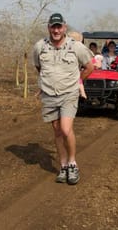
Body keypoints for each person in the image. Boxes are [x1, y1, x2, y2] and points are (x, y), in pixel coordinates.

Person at [33, 13, 94, 185]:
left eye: (59, 27)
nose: (56, 30)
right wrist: (47, 82)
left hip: (69, 94)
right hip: (49, 94)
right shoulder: (40, 46)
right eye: (53, 26)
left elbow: (90, 66)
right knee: (57, 131)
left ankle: (73, 164)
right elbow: (39, 66)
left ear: (65, 27)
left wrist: (78, 81)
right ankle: (63, 166)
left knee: (66, 129)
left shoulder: (76, 47)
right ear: (49, 28)